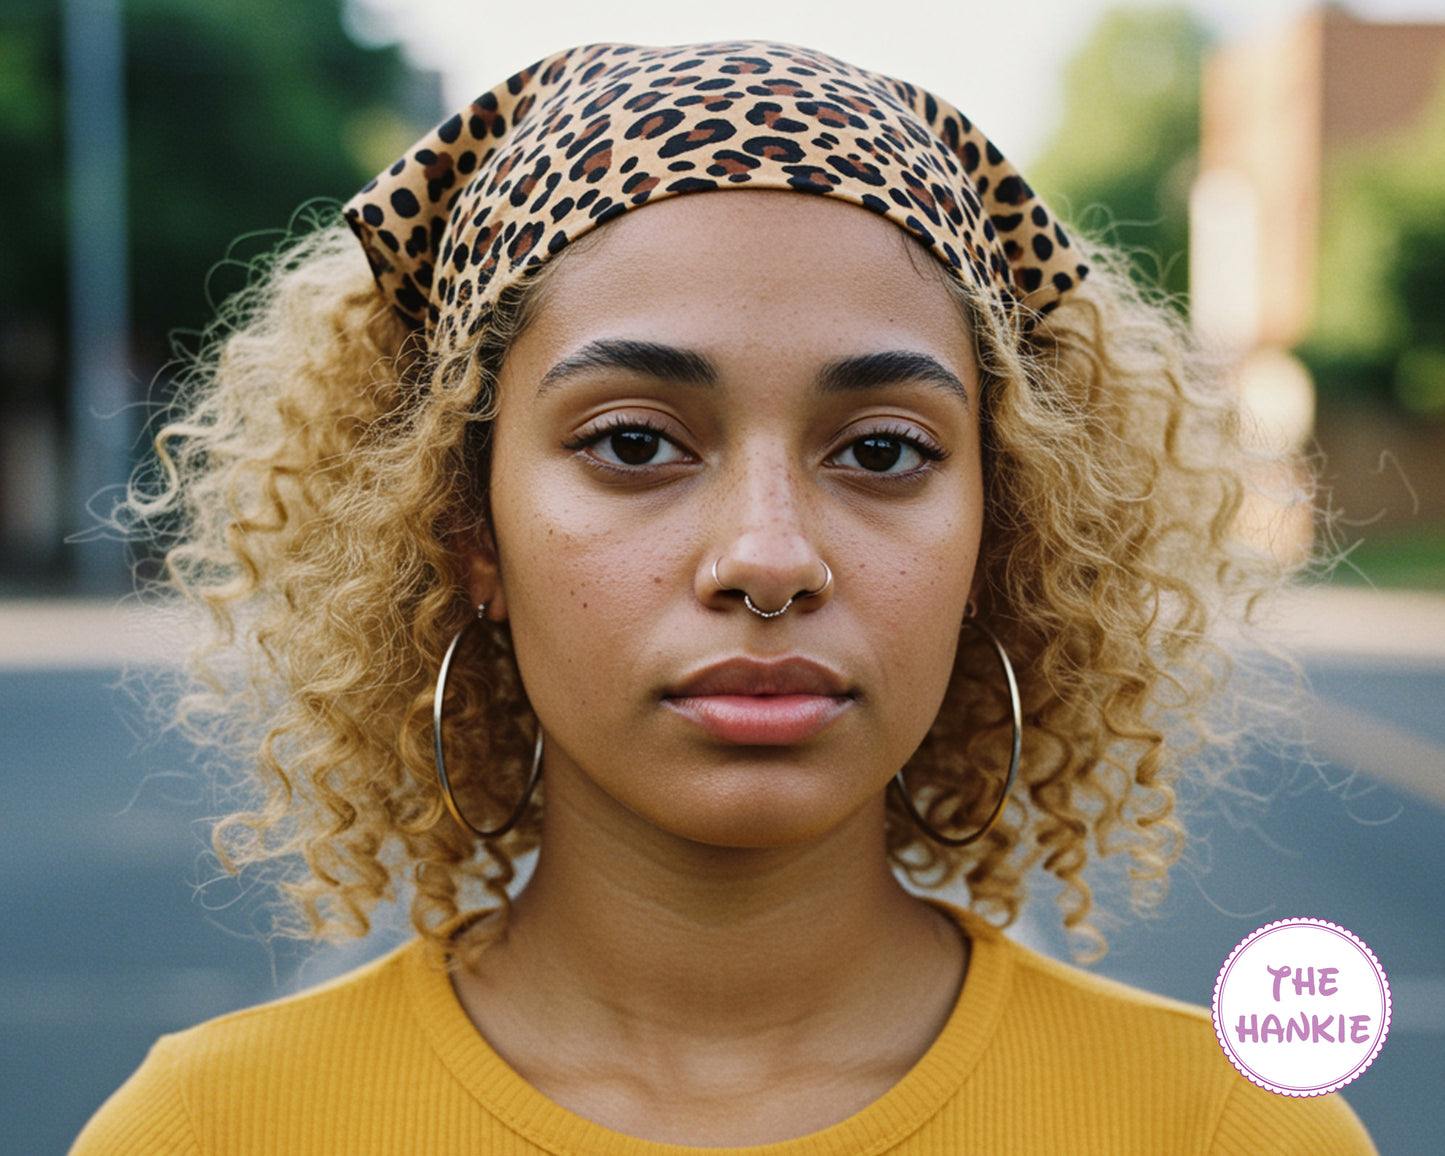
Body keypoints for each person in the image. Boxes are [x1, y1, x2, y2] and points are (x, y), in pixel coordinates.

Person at [72, 40, 1376, 1154]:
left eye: (880, 451)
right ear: (467, 527)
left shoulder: (1225, 1131)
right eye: (634, 443)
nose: (767, 557)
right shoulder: (211, 1131)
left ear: (1005, 531)